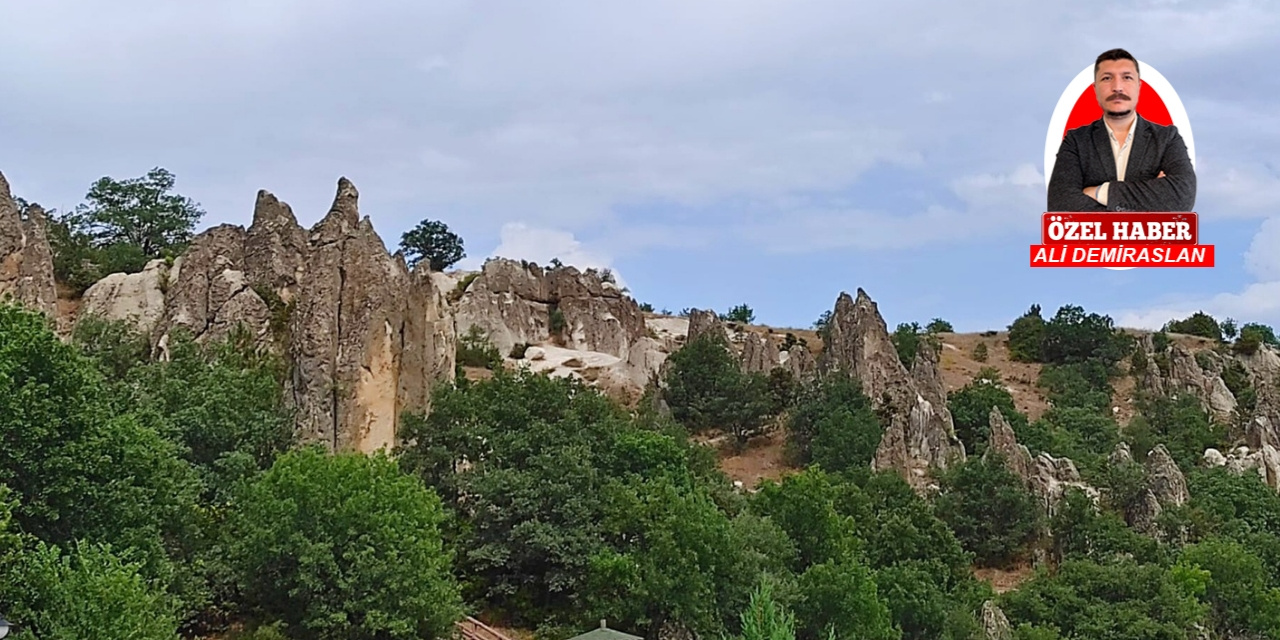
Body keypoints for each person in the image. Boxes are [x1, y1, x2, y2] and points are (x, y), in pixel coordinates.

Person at [1047, 49, 1196, 212]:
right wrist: (1152, 197)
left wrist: (1100, 192)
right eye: (1107, 78)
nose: (1117, 87)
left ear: (1139, 86)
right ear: (1095, 89)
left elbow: (1183, 195)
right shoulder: (1076, 141)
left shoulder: (1167, 138)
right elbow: (1060, 203)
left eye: (1127, 78)